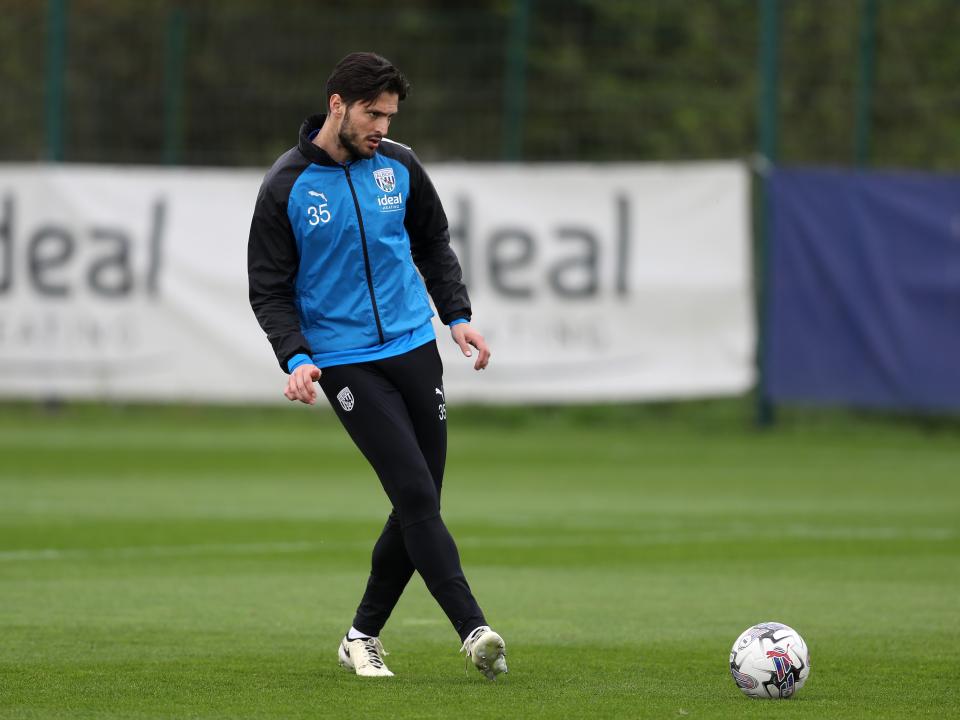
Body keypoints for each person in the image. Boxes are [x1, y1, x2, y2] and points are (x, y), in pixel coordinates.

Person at [247, 52, 507, 680]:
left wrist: (457, 314)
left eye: (390, 115)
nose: (381, 127)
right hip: (344, 360)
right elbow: (269, 288)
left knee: (418, 501)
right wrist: (298, 356)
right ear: (336, 103)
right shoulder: (286, 185)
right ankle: (475, 629)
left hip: (415, 346)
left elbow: (431, 242)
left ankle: (361, 635)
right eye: (372, 113)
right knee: (414, 491)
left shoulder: (400, 165)